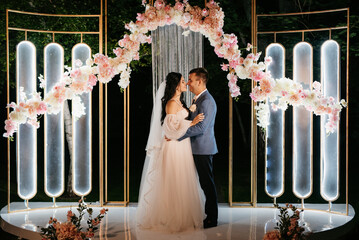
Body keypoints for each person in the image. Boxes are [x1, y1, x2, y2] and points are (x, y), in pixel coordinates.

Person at [136, 72, 205, 232]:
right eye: (182, 81)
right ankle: (171, 217)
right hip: (174, 146)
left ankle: (184, 216)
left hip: (182, 145)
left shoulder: (179, 102)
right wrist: (191, 123)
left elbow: (177, 123)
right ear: (175, 86)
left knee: (183, 178)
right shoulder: (171, 104)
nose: (185, 84)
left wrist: (191, 111)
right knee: (174, 179)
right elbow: (170, 131)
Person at [178, 67, 218, 228]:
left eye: (190, 80)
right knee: (200, 183)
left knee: (207, 184)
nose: (188, 83)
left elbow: (201, 128)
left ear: (200, 81)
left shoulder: (206, 101)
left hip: (203, 148)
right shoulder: (197, 99)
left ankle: (212, 218)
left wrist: (178, 135)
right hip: (195, 148)